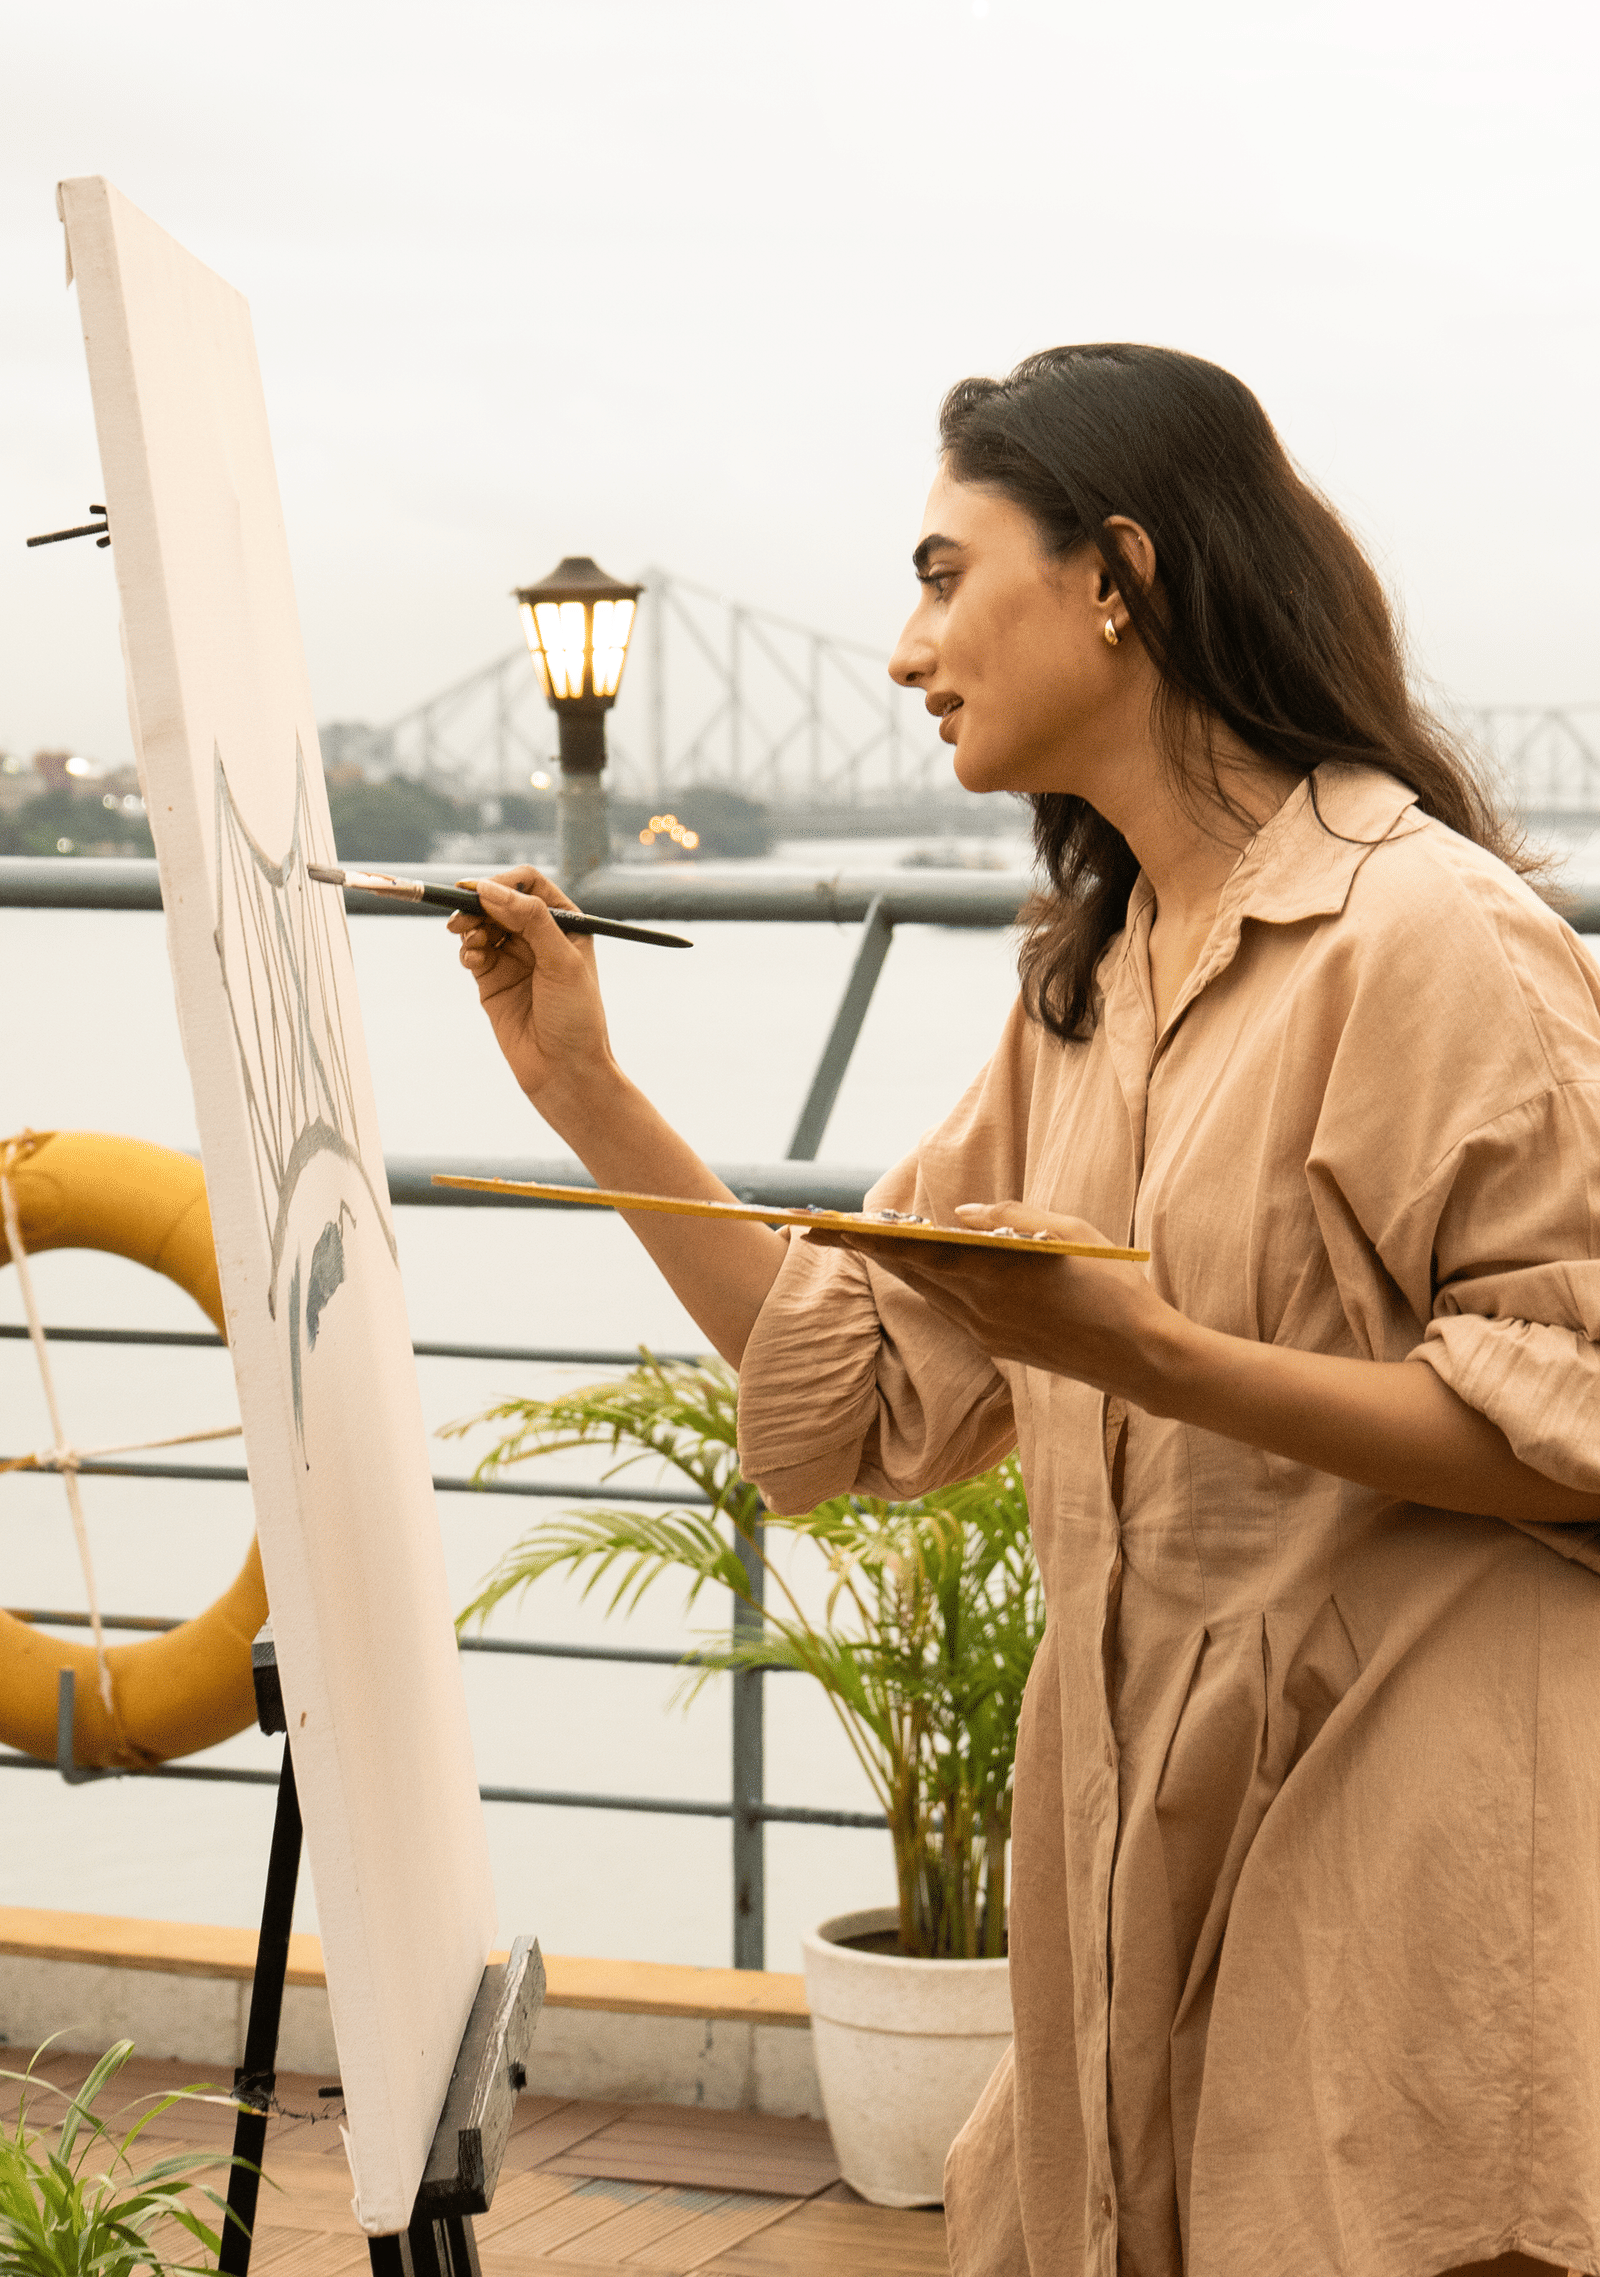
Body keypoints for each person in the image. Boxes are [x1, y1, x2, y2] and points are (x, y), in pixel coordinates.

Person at [450, 343, 1600, 2277]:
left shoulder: (1429, 936)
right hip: (1132, 1827)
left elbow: (1576, 1399)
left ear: (1116, 575)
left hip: (1405, 1815)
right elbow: (863, 1377)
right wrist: (585, 1089)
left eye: (939, 572)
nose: (906, 652)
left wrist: (1157, 1362)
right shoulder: (1091, 984)